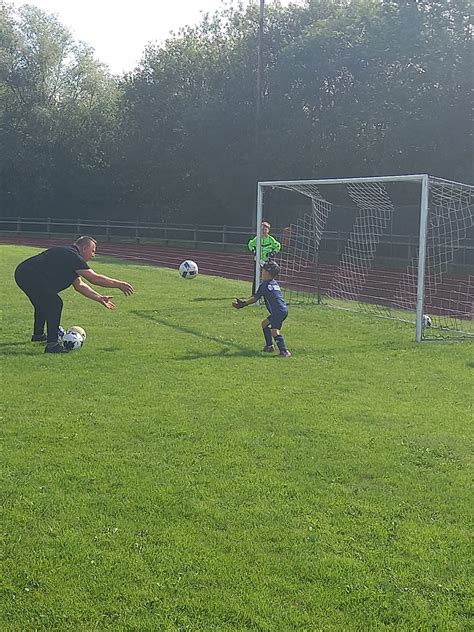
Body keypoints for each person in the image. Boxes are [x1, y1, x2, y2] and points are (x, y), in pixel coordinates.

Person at [14, 235, 134, 353]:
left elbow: (79, 285)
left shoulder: (69, 256)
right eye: (92, 251)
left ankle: (38, 335)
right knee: (54, 303)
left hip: (23, 273)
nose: (93, 255)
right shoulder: (73, 256)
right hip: (29, 275)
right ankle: (52, 345)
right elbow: (94, 278)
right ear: (84, 248)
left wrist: (99, 297)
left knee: (44, 303)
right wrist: (118, 284)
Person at [232, 260, 291, 357]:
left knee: (274, 331)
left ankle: (284, 352)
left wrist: (244, 304)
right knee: (264, 324)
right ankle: (269, 346)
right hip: (283, 309)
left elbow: (255, 299)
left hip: (277, 311)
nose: (261, 272)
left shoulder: (264, 285)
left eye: (263, 270)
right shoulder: (274, 283)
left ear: (267, 272)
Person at [247, 221, 281, 293]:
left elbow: (278, 246)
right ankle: (254, 293)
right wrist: (253, 250)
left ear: (268, 230)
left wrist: (273, 252)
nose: (263, 231)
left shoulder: (271, 239)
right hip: (258, 260)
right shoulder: (257, 238)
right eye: (262, 229)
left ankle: (267, 291)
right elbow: (250, 244)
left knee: (267, 277)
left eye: (265, 229)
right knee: (256, 277)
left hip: (267, 261)